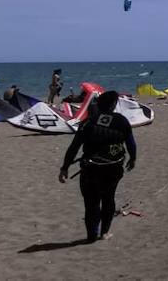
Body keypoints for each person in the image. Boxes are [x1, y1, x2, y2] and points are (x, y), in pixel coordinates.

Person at [60, 91, 137, 242]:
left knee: (91, 203)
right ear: (114, 105)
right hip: (113, 169)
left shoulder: (89, 121)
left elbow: (74, 146)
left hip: (91, 170)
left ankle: (91, 235)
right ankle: (104, 233)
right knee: (108, 198)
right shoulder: (121, 121)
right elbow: (131, 144)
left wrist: (65, 167)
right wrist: (133, 158)